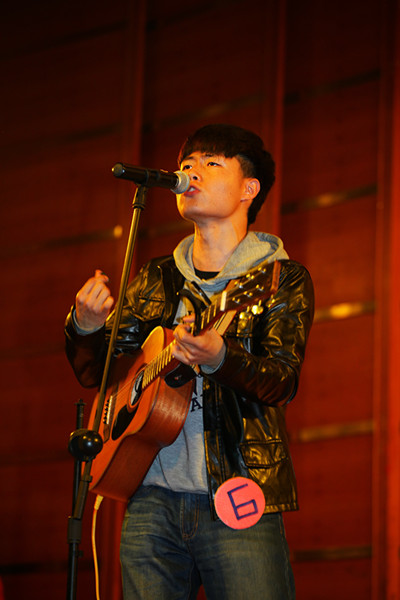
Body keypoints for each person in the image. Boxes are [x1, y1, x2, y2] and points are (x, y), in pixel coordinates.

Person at [65, 124, 314, 599]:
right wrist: (87, 326)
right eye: (186, 164)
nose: (191, 171)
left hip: (239, 490)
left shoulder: (280, 278)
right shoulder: (156, 277)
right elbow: (99, 374)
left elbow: (282, 380)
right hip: (150, 497)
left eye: (211, 163)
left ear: (249, 189)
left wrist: (222, 358)